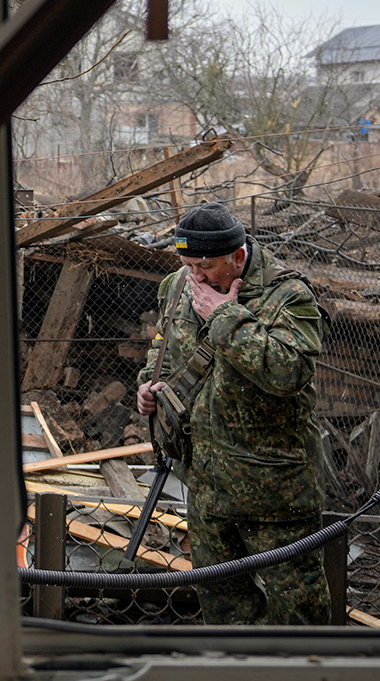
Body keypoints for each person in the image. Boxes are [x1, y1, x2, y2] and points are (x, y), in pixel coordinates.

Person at [135, 202, 331, 625]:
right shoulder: (177, 286)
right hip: (205, 484)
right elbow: (163, 348)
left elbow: (288, 371)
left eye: (204, 267)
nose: (196, 278)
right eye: (187, 265)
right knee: (223, 605)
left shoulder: (288, 295)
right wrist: (149, 387)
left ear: (238, 257)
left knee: (299, 609)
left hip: (273, 489)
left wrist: (224, 315)